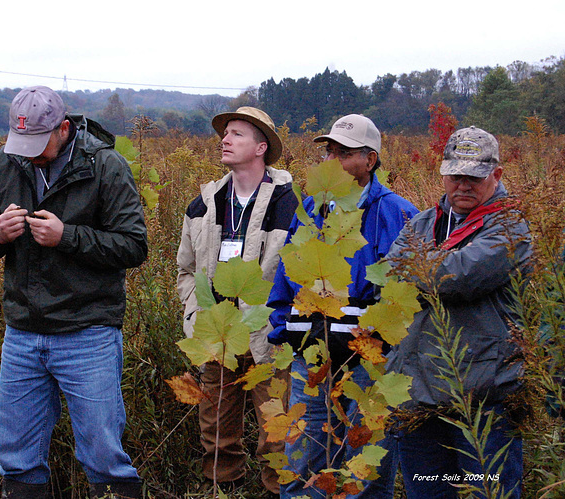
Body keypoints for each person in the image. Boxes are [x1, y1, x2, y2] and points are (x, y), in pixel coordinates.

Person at [0, 86, 148, 499]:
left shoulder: (105, 166)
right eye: (21, 142)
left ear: (63, 128)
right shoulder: (4, 164)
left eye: (38, 143)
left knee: (103, 455)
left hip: (88, 332)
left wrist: (67, 237)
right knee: (17, 457)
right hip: (23, 332)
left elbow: (133, 245)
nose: (28, 153)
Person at [267, 114, 418, 498]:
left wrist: (378, 345)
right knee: (304, 455)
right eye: (329, 152)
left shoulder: (398, 214)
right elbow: (284, 279)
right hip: (311, 357)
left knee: (365, 462)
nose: (332, 161)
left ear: (370, 160)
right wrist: (286, 334)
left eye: (344, 153)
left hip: (369, 361)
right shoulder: (310, 211)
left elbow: (405, 295)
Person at [386, 126, 532, 498]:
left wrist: (419, 267)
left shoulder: (510, 225)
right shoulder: (422, 222)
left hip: (484, 401)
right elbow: (388, 275)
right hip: (419, 396)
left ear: (496, 175)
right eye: (455, 175)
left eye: (474, 176)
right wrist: (427, 268)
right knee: (427, 492)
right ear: (443, 173)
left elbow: (459, 277)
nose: (463, 185)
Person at [176, 107, 298, 497]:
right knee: (215, 430)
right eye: (225, 134)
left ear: (261, 147)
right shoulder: (203, 204)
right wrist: (197, 312)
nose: (225, 140)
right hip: (218, 333)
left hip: (268, 336)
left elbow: (296, 275)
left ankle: (277, 491)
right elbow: (185, 270)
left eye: (237, 135)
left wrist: (276, 320)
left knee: (276, 431)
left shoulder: (288, 204)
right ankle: (220, 489)